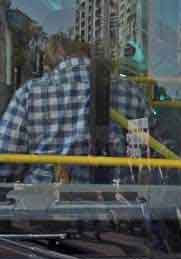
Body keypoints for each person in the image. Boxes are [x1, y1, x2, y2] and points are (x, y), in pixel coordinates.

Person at [0, 33, 150, 184]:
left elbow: (6, 164)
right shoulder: (132, 92)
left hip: (44, 200)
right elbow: (141, 157)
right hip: (118, 201)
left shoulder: (29, 93)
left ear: (55, 56)